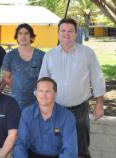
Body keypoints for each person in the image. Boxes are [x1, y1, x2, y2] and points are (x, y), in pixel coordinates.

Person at [39, 18, 106, 158]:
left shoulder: (87, 53)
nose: (66, 34)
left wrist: (99, 103)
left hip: (80, 111)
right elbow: (42, 83)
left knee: (81, 149)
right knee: (55, 148)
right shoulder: (49, 55)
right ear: (58, 33)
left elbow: (97, 78)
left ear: (76, 33)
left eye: (70, 31)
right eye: (63, 31)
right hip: (55, 110)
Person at [13, 77, 78, 158]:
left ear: (55, 93)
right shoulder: (27, 114)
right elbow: (21, 143)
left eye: (48, 91)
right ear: (36, 93)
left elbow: (70, 150)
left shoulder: (67, 116)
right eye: (40, 91)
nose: (44, 95)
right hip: (33, 155)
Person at [0, 23, 45, 110]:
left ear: (31, 37)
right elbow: (6, 78)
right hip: (16, 101)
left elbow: (46, 78)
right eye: (20, 33)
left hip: (37, 101)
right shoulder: (9, 56)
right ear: (16, 37)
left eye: (26, 33)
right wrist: (19, 89)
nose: (23, 36)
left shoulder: (41, 56)